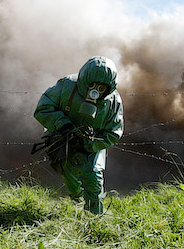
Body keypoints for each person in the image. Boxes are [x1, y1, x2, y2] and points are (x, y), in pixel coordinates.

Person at [33, 56, 124, 214]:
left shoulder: (113, 102)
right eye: (92, 85)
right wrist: (63, 125)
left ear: (109, 87)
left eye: (101, 88)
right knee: (70, 177)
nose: (95, 92)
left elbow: (114, 132)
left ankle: (94, 219)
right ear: (84, 81)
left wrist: (90, 143)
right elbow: (43, 108)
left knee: (94, 179)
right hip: (64, 140)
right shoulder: (67, 87)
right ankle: (76, 199)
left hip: (92, 145)